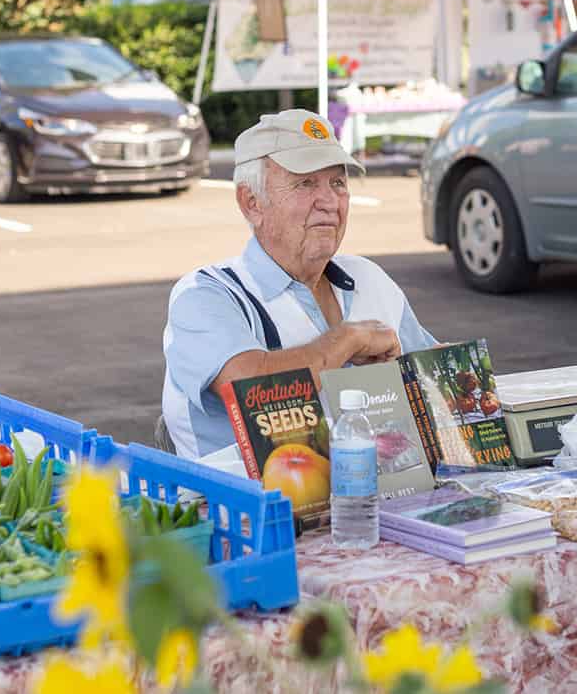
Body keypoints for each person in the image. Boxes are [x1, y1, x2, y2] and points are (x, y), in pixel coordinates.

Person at [161, 109, 438, 459]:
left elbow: (441, 379)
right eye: (305, 183)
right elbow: (248, 388)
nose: (329, 202)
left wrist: (413, 374)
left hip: (371, 499)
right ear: (252, 203)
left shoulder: (369, 279)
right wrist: (347, 340)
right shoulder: (208, 295)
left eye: (338, 183)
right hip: (244, 509)